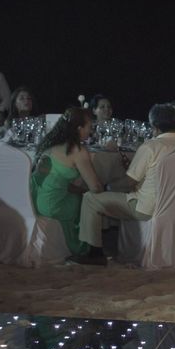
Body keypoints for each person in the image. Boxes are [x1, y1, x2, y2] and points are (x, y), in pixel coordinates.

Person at [72, 104, 175, 266]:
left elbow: (129, 182)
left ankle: (95, 252)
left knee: (91, 198)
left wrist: (108, 186)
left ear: (154, 126)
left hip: (149, 208)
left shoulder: (151, 147)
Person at [31, 107, 105, 256]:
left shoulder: (51, 143)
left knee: (80, 195)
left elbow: (57, 183)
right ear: (79, 128)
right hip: (52, 205)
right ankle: (88, 247)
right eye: (89, 127)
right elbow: (95, 187)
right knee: (89, 201)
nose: (90, 131)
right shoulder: (77, 150)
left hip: (36, 200)